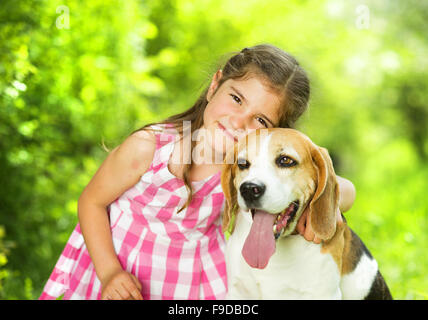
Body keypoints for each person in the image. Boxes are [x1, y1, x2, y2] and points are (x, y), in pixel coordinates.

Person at [39, 44, 356, 300]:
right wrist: (109, 272)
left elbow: (344, 190)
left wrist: (317, 209)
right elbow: (91, 202)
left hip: (194, 283)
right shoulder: (149, 148)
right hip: (120, 272)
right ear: (215, 85)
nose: (238, 121)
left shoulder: (248, 170)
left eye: (260, 120)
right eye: (236, 99)